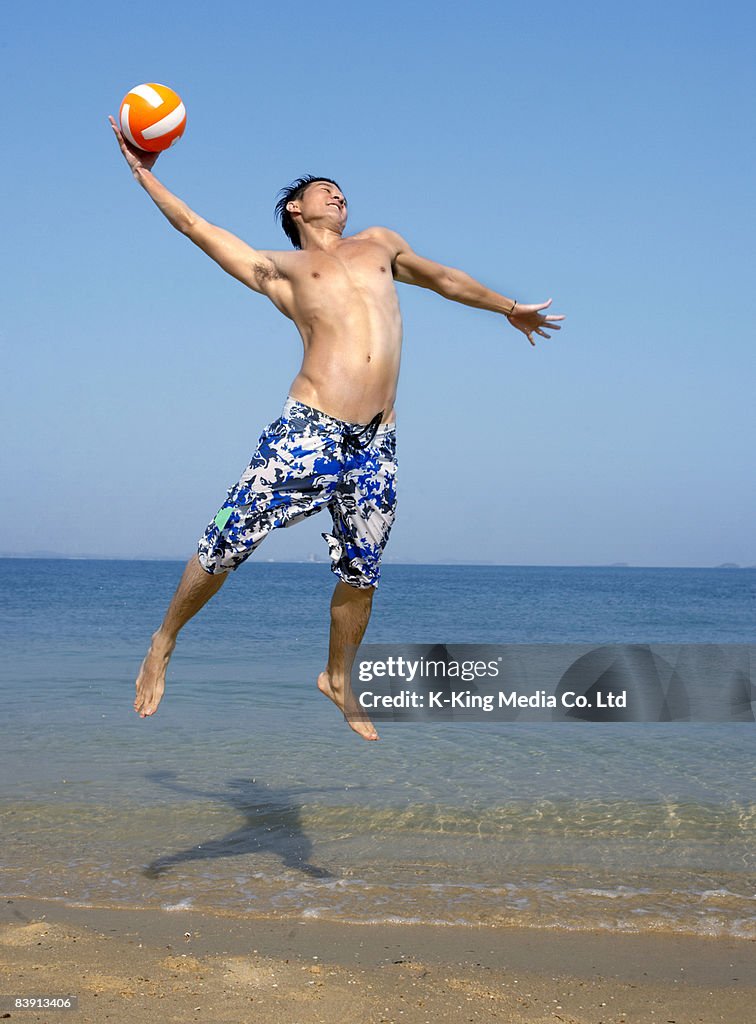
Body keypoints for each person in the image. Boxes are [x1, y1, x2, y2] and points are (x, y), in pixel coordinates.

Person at [109, 116, 565, 741]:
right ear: (295, 209)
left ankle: (336, 676)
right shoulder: (282, 270)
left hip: (378, 443)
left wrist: (509, 308)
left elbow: (445, 278)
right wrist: (143, 174)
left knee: (363, 572)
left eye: (342, 190)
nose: (338, 195)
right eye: (325, 190)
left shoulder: (379, 244)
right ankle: (163, 640)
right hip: (309, 429)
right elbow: (196, 227)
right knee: (226, 542)